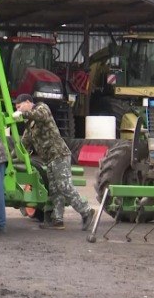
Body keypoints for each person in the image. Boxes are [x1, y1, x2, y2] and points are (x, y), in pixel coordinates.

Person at [13, 94, 95, 230]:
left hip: (59, 154)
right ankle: (57, 220)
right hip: (50, 159)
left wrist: (25, 114)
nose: (19, 110)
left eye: (20, 106)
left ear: (28, 102)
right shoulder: (30, 125)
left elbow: (40, 115)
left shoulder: (41, 108)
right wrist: (10, 158)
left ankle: (86, 211)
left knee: (64, 186)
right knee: (55, 190)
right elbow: (23, 144)